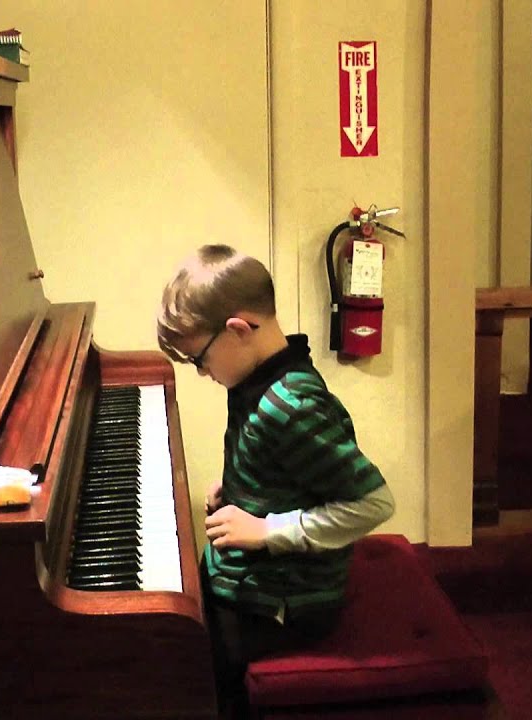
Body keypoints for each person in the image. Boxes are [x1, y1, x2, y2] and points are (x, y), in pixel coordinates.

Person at [157, 244, 395, 714]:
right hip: (263, 580)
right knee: (178, 611)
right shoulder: (256, 380)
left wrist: (268, 529)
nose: (202, 373)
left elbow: (373, 503)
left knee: (183, 659)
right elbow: (286, 464)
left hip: (292, 600)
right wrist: (242, 488)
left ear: (239, 330)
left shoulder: (290, 406)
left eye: (199, 359)